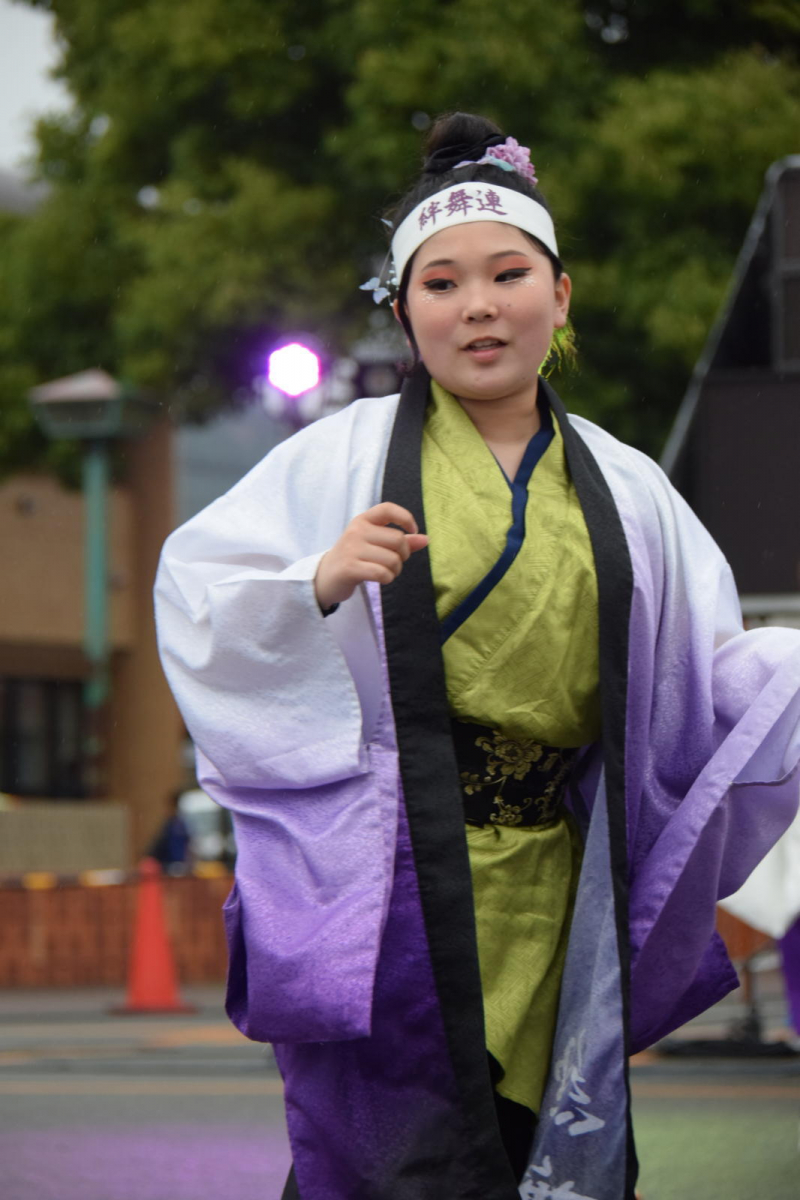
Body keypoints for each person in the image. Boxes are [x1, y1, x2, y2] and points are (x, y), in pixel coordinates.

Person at [154, 113, 800, 1200]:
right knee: (387, 1164)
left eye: (507, 273)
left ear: (558, 292)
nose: (478, 305)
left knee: (535, 1154)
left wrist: (776, 675)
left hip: (553, 884)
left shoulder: (628, 487)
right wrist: (316, 581)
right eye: (441, 283)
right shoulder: (339, 457)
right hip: (382, 877)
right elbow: (197, 600)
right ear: (404, 310)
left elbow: (694, 680)